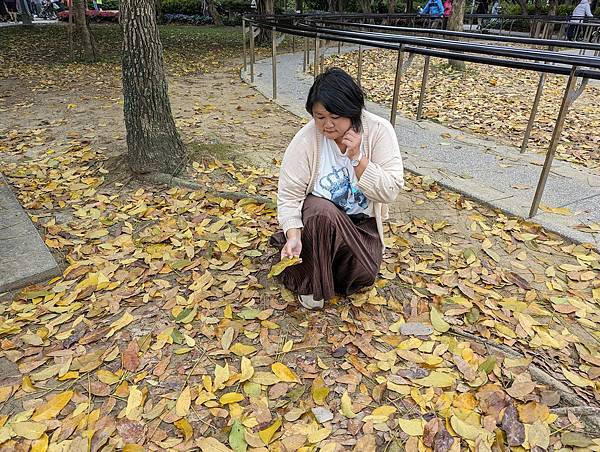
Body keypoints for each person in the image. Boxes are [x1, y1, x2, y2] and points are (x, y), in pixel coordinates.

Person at [274, 68, 404, 309]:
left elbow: (390, 191)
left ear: (352, 112)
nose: (327, 125)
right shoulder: (306, 140)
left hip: (360, 225)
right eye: (320, 116)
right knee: (322, 210)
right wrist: (293, 234)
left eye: (335, 116)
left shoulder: (379, 131)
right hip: (319, 225)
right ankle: (312, 283)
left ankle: (329, 271)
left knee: (363, 276)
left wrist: (358, 159)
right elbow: (289, 194)